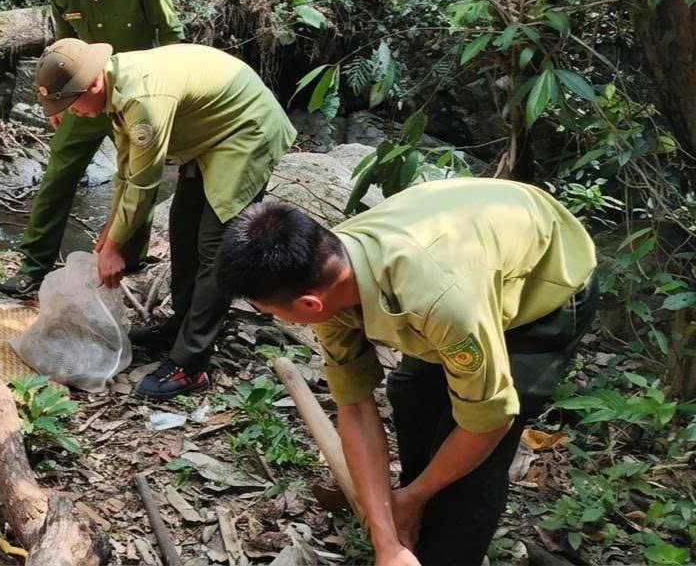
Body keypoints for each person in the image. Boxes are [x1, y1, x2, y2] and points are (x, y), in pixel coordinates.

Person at [215, 179, 598, 566]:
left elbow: (488, 422)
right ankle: (409, 530)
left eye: (271, 313)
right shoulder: (326, 267)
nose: (277, 319)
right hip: (468, 256)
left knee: (471, 471)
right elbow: (356, 406)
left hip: (544, 277)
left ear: (309, 305)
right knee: (414, 395)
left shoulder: (441, 302)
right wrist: (385, 535)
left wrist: (411, 498)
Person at [32, 38, 296, 399]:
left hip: (244, 131)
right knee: (183, 233)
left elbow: (144, 183)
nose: (69, 113)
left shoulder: (143, 100)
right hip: (206, 135)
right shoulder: (115, 85)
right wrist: (112, 231)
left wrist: (114, 249)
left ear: (93, 83)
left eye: (70, 103)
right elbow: (126, 168)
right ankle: (180, 326)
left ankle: (191, 364)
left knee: (216, 249)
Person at [0, 0, 183, 298]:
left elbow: (172, 40)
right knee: (58, 175)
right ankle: (34, 265)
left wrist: (170, 101)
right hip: (85, 96)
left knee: (136, 179)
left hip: (137, 98)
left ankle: (127, 263)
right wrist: (63, 102)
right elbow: (64, 47)